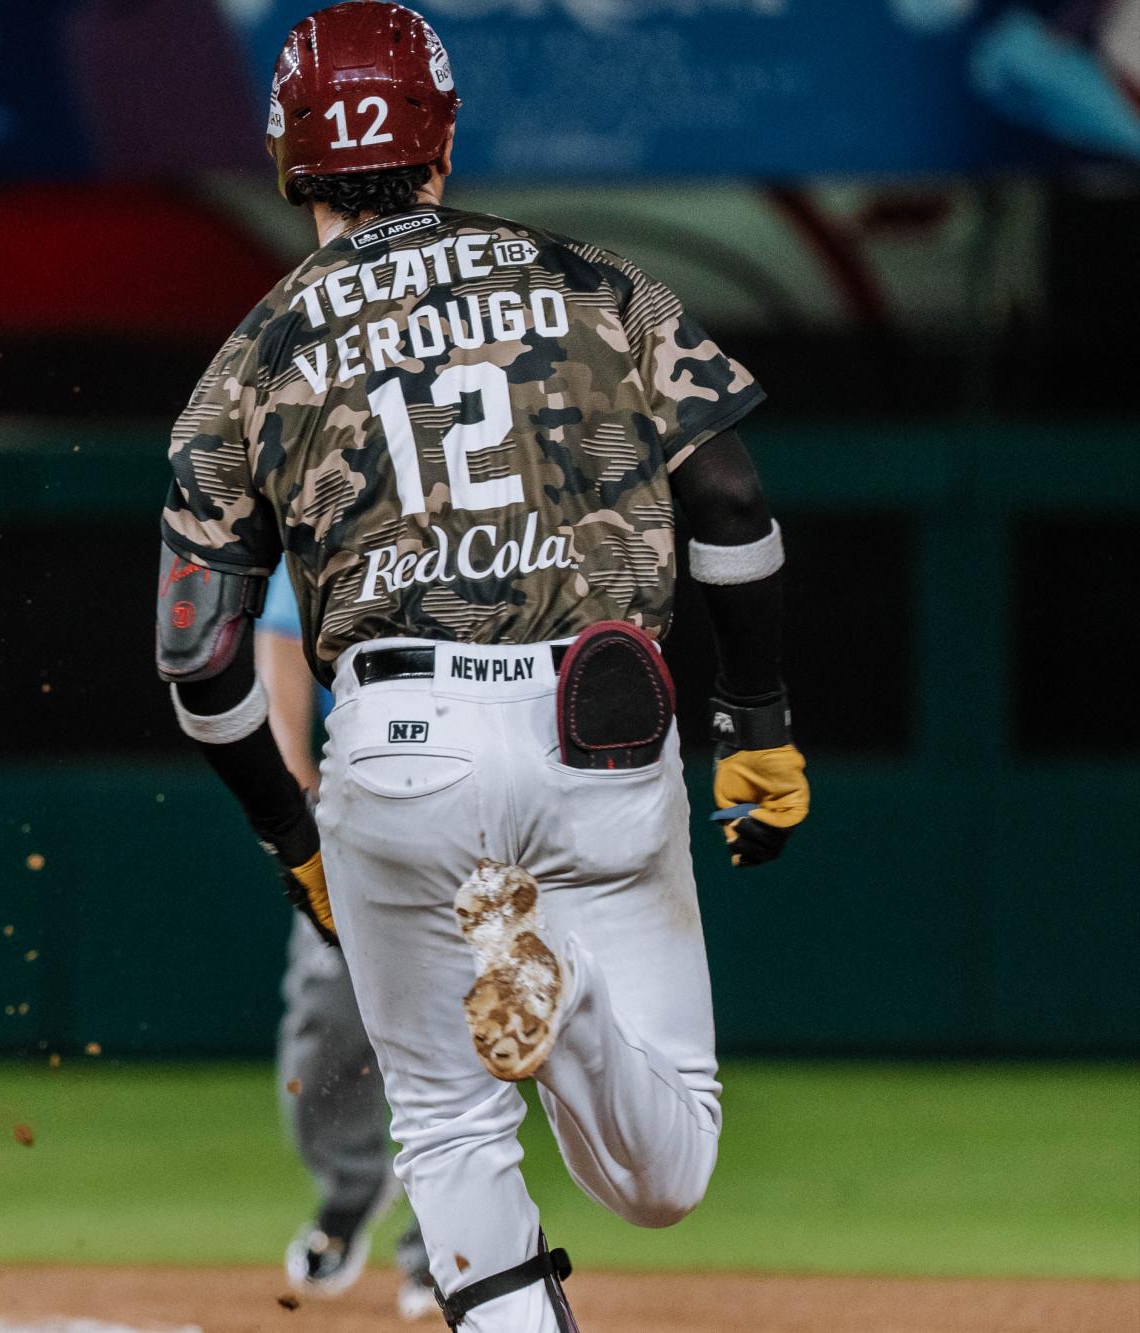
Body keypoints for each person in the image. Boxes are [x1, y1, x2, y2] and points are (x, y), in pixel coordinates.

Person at [152, 5, 809, 1330]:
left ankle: (538, 997)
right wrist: (759, 720)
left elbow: (199, 655)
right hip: (598, 719)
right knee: (666, 1175)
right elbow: (731, 502)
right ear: (442, 135)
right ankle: (554, 997)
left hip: (397, 746)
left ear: (290, 156)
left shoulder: (253, 357)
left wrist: (292, 837)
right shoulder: (590, 279)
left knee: (450, 1135)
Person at [260, 573, 432, 1320]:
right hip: (359, 787)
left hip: (495, 787)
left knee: (470, 1025)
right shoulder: (346, 486)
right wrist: (291, 780)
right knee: (328, 1017)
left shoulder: (515, 496)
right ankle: (352, 1191)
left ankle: (455, 1244)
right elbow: (285, 631)